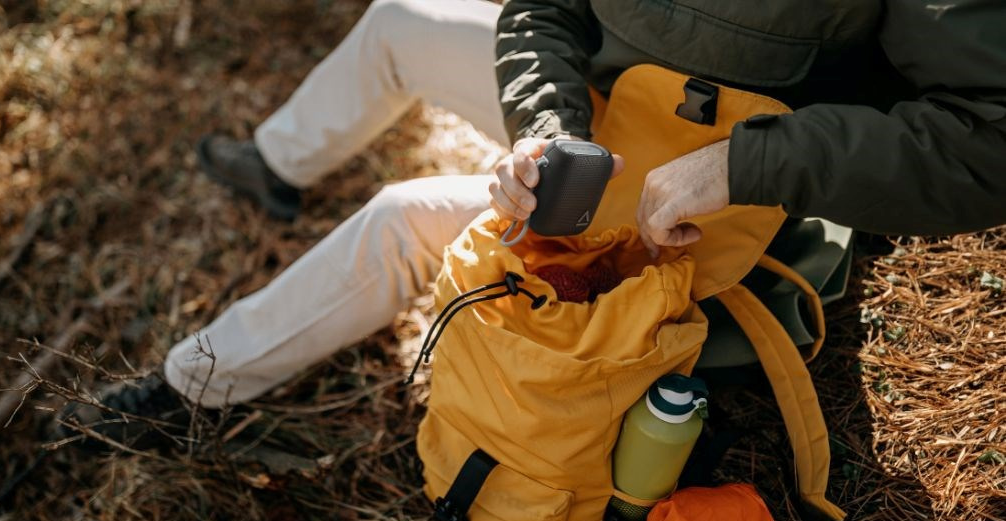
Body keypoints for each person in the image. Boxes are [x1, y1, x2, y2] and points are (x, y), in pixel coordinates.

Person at [64, 0, 1006, 445]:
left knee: (399, 218)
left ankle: (189, 390)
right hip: (602, 112)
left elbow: (986, 139)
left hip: (716, 192)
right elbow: (543, 10)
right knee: (398, 23)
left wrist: (750, 165)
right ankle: (277, 165)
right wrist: (548, 128)